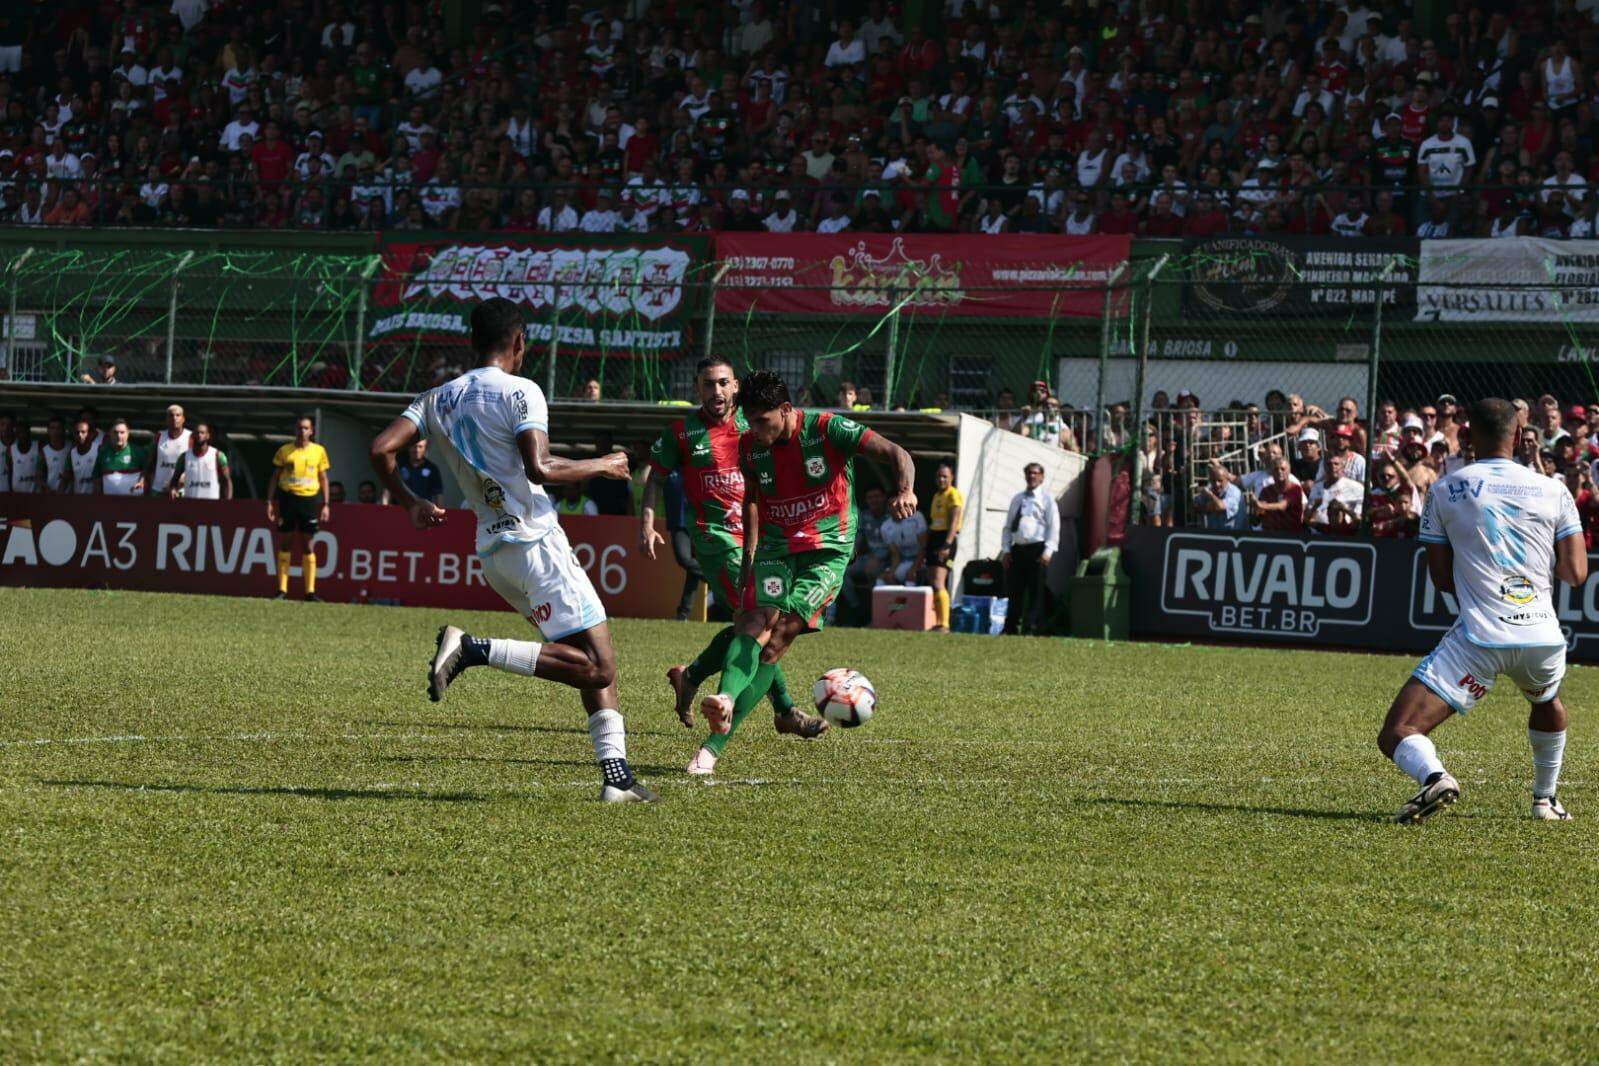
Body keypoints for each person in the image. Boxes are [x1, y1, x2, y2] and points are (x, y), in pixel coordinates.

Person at [370, 297, 656, 803]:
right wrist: (604, 464)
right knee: (600, 665)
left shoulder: (438, 397)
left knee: (581, 655)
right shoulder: (522, 390)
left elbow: (380, 449)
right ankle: (473, 649)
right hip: (535, 542)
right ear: (520, 342)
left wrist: (410, 503)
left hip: (494, 552)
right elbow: (540, 467)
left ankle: (617, 778)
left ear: (473, 341)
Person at [1379, 397, 1587, 824]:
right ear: (1519, 435)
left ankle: (1435, 777)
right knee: (1546, 700)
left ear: (1467, 436)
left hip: (1480, 637)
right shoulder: (1555, 490)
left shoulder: (1445, 489)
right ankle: (1545, 800)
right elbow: (1575, 573)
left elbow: (1441, 578)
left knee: (1398, 731)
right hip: (1543, 638)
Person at [696, 370, 917, 749]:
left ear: (785, 409)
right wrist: (748, 556)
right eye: (749, 420)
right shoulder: (750, 446)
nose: (754, 429)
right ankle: (724, 699)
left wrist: (906, 490)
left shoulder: (829, 429)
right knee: (752, 622)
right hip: (777, 547)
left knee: (779, 636)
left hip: (827, 547)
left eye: (762, 420)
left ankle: (713, 739)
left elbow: (899, 454)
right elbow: (751, 499)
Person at [637, 357, 801, 767]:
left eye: (723, 383)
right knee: (762, 622)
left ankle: (691, 676)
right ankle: (782, 708)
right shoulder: (682, 431)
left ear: (736, 386)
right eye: (708, 384)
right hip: (716, 541)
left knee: (756, 625)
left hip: (759, 538)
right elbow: (655, 476)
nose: (716, 391)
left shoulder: (752, 424)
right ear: (697, 388)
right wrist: (647, 523)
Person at [269, 415, 331, 601]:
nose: (301, 431)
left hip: (308, 500)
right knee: (286, 543)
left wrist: (326, 504)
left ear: (311, 431)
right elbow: (275, 477)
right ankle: (282, 590)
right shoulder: (284, 451)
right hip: (288, 499)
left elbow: (323, 478)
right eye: (299, 428)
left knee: (308, 545)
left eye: (305, 428)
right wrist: (270, 501)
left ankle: (310, 592)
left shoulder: (319, 451)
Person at [1001, 462, 1059, 636]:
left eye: (1035, 473)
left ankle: (1031, 628)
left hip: (1037, 549)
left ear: (1042, 477)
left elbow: (1054, 527)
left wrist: (1048, 551)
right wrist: (1006, 549)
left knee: (1036, 591)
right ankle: (1011, 627)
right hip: (1018, 549)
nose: (1032, 476)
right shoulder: (1017, 499)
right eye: (1029, 473)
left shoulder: (1047, 500)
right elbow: (1008, 526)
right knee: (1014, 590)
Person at [841, 486, 892, 621]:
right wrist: (851, 555)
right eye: (870, 497)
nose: (874, 500)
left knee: (874, 572)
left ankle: (876, 615)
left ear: (884, 498)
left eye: (877, 496)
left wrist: (878, 557)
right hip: (868, 558)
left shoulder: (891, 516)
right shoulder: (864, 516)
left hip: (889, 560)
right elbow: (858, 538)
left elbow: (895, 545)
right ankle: (856, 608)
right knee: (842, 571)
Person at [924, 461, 964, 631]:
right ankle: (938, 621)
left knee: (939, 581)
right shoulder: (937, 495)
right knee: (933, 581)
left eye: (945, 476)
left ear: (952, 477)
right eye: (939, 476)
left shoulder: (953, 494)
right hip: (935, 537)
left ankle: (945, 624)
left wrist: (947, 544)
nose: (942, 479)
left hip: (945, 539)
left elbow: (954, 521)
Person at [1306, 452, 1363, 534]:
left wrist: (1343, 508)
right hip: (1319, 534)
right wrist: (1315, 506)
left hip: (1346, 534)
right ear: (1324, 467)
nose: (1332, 467)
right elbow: (1308, 519)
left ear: (1343, 467)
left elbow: (1359, 520)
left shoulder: (1355, 487)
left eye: (1336, 464)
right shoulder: (1316, 487)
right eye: (1329, 464)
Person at [171, 422, 230, 500]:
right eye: (197, 433)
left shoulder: (218, 455)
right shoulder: (184, 457)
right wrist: (173, 489)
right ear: (192, 435)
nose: (199, 435)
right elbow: (174, 479)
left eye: (202, 433)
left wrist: (227, 502)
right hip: (190, 502)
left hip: (211, 503)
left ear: (208, 436)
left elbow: (226, 481)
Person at [1251, 456, 1306, 532]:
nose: (1279, 471)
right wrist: (1258, 509)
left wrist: (1261, 505)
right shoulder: (1266, 490)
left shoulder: (1295, 488)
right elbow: (1259, 515)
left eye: (1283, 469)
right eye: (1276, 469)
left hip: (1291, 535)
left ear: (1289, 471)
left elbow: (1282, 506)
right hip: (1269, 534)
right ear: (1272, 472)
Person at [146, 404, 191, 496]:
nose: (174, 418)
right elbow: (149, 462)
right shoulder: (159, 436)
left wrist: (178, 482)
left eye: (178, 415)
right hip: (158, 489)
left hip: (181, 491)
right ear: (167, 419)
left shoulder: (191, 437)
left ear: (183, 419)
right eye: (171, 415)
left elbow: (196, 465)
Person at [880, 501, 928, 584]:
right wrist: (891, 573)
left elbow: (924, 547)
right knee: (882, 580)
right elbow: (896, 555)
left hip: (922, 560)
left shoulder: (917, 517)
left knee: (910, 578)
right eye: (893, 505)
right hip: (904, 561)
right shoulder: (885, 527)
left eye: (899, 504)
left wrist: (914, 568)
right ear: (888, 508)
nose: (897, 507)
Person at [93, 419, 146, 495]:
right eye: (115, 432)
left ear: (128, 433)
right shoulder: (103, 451)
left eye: (122, 432)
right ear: (110, 433)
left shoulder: (138, 451)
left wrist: (142, 482)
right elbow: (97, 476)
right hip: (108, 500)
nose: (119, 436)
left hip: (133, 500)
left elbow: (147, 473)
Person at [390, 438, 442, 505]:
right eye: (414, 446)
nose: (417, 450)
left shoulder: (433, 469)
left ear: (425, 448)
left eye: (420, 447)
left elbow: (438, 494)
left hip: (423, 509)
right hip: (400, 507)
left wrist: (438, 510)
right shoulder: (399, 465)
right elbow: (389, 488)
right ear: (409, 447)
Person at [1194, 464, 1246, 530]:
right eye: (1213, 481)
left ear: (1227, 479)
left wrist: (1210, 495)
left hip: (1235, 534)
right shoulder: (1210, 488)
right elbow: (1195, 506)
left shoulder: (1234, 492)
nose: (1216, 484)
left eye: (1220, 481)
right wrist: (1207, 509)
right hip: (1215, 534)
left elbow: (1220, 506)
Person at [68, 417, 102, 494]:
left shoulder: (99, 450)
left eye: (83, 432)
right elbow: (68, 478)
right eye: (77, 432)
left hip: (96, 498)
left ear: (90, 434)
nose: (80, 435)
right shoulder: (71, 453)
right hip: (78, 497)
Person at [7, 417, 40, 493]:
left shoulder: (38, 446)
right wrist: (10, 490)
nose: (22, 435)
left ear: (29, 433)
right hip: (16, 493)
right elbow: (9, 472)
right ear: (16, 434)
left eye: (24, 432)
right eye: (19, 432)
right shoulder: (10, 449)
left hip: (35, 493)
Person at [41, 416, 71, 493]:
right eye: (52, 428)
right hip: (50, 494)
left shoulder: (71, 449)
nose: (55, 431)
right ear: (48, 431)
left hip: (69, 494)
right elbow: (38, 476)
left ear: (64, 430)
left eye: (58, 428)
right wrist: (47, 488)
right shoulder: (44, 451)